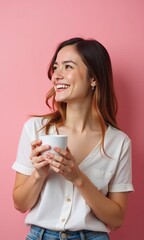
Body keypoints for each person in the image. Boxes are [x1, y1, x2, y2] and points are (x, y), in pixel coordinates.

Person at [12, 37, 134, 240]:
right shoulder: (36, 129)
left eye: (68, 67)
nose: (56, 76)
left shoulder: (119, 143)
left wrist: (78, 177)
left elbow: (116, 219)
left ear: (93, 78)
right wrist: (38, 174)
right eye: (55, 67)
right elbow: (20, 204)